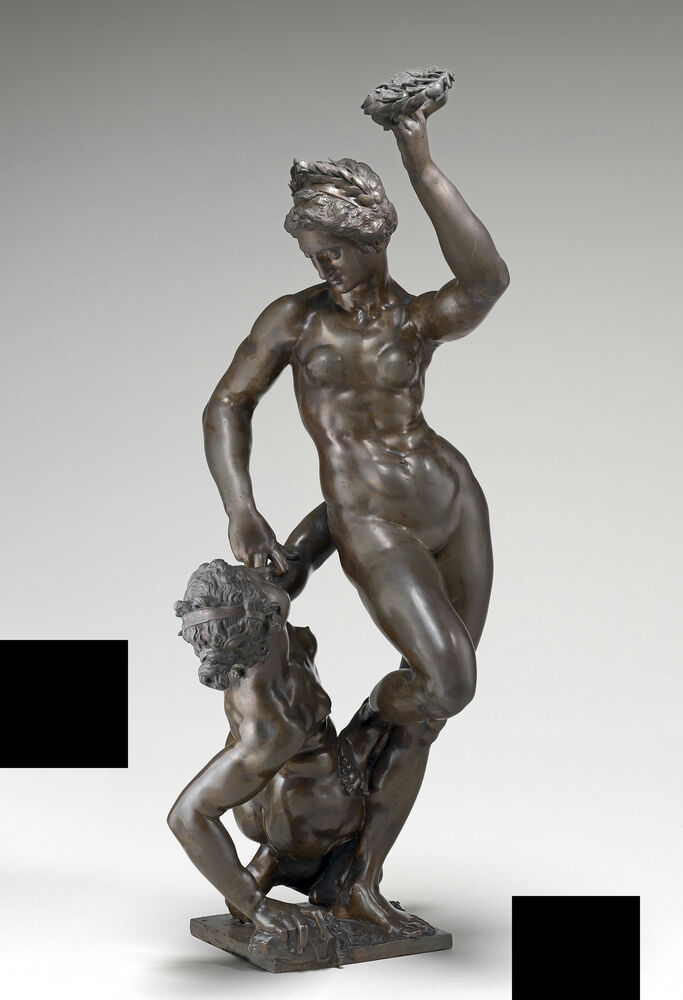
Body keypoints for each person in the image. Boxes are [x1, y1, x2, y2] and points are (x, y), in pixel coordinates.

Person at [202, 102, 509, 932]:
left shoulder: (414, 319)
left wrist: (419, 161)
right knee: (445, 682)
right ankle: (362, 737)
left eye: (332, 250)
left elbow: (487, 282)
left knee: (433, 712)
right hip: (369, 521)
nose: (322, 265)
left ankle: (359, 880)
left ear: (373, 242)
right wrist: (242, 509)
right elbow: (227, 404)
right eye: (311, 253)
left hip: (453, 503)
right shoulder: (296, 320)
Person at [167, 559, 432, 951]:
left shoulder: (256, 609)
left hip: (278, 793)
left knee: (401, 699)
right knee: (418, 712)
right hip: (304, 812)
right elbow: (186, 817)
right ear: (264, 619)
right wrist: (256, 906)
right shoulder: (271, 724)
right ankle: (356, 880)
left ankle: (283, 864)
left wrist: (243, 525)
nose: (268, 580)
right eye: (257, 581)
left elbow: (291, 558)